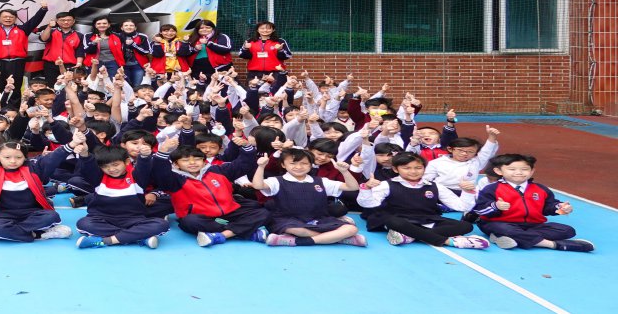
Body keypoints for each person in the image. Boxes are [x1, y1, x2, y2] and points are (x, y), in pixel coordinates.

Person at [146, 135, 268, 246]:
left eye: (197, 159)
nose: (192, 163)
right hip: (200, 216)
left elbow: (244, 165)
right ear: (176, 165)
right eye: (185, 160)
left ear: (204, 162)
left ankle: (223, 235)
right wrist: (163, 151)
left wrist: (246, 146)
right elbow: (160, 173)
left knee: (263, 213)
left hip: (229, 210)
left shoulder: (218, 170)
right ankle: (244, 232)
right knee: (189, 222)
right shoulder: (175, 179)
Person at [356, 151, 489, 248]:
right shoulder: (387, 185)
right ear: (396, 169)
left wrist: (467, 192)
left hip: (426, 219)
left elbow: (461, 207)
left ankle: (409, 236)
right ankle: (448, 241)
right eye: (406, 168)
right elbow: (368, 204)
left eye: (418, 168)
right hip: (398, 219)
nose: (413, 171)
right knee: (394, 222)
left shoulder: (434, 186)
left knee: (465, 226)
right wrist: (366, 188)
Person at [472, 154, 594, 252]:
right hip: (500, 223)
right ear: (498, 171)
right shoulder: (492, 189)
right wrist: (496, 206)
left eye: (524, 169)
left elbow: (549, 206)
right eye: (512, 169)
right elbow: (479, 210)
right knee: (504, 229)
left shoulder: (540, 189)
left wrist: (561, 208)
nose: (519, 172)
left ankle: (506, 238)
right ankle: (553, 245)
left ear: (531, 171)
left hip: (533, 225)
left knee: (567, 230)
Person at [253, 149, 366, 247]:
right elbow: (258, 185)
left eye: (304, 163)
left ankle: (298, 241)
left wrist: (344, 171)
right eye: (293, 163)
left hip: (319, 219)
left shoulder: (320, 181)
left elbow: (352, 187)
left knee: (351, 229)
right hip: (288, 220)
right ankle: (338, 239)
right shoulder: (277, 181)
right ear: (283, 165)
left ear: (311, 165)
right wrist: (261, 167)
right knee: (295, 230)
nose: (298, 167)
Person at [72, 144, 169, 249]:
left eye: (115, 164)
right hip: (102, 218)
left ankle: (106, 241)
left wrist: (145, 156)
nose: (111, 169)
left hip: (134, 220)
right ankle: (137, 237)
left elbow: (144, 167)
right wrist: (84, 154)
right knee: (84, 224)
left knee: (161, 224)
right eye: (105, 166)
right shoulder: (98, 178)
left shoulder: (137, 177)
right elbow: (88, 166)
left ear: (127, 162)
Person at [38, 12, 85, 86]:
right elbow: (43, 38)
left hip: (69, 65)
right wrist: (49, 26)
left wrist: (79, 63)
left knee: (69, 85)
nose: (66, 22)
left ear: (73, 21)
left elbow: (80, 51)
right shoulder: (51, 31)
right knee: (51, 85)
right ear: (57, 21)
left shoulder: (79, 35)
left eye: (69, 20)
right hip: (51, 64)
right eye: (62, 20)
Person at [239, 21, 291, 85]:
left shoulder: (280, 41)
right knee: (253, 90)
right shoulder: (250, 41)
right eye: (262, 28)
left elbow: (287, 56)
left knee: (277, 91)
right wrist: (245, 48)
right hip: (255, 73)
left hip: (275, 73)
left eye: (268, 28)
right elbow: (243, 56)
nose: (265, 30)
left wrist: (280, 50)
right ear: (257, 30)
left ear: (273, 30)